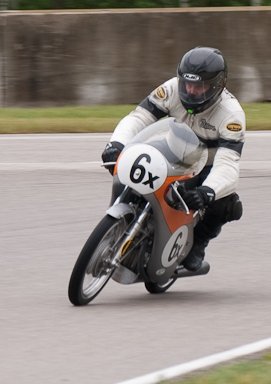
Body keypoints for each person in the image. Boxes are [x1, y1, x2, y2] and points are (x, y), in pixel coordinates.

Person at [101, 47, 245, 270]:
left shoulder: (232, 115)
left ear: (218, 86)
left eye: (200, 86)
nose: (190, 90)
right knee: (130, 166)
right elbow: (139, 117)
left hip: (205, 168)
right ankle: (117, 218)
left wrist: (208, 192)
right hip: (171, 151)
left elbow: (228, 163)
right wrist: (117, 143)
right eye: (187, 83)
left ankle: (197, 243)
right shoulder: (171, 89)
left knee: (228, 204)